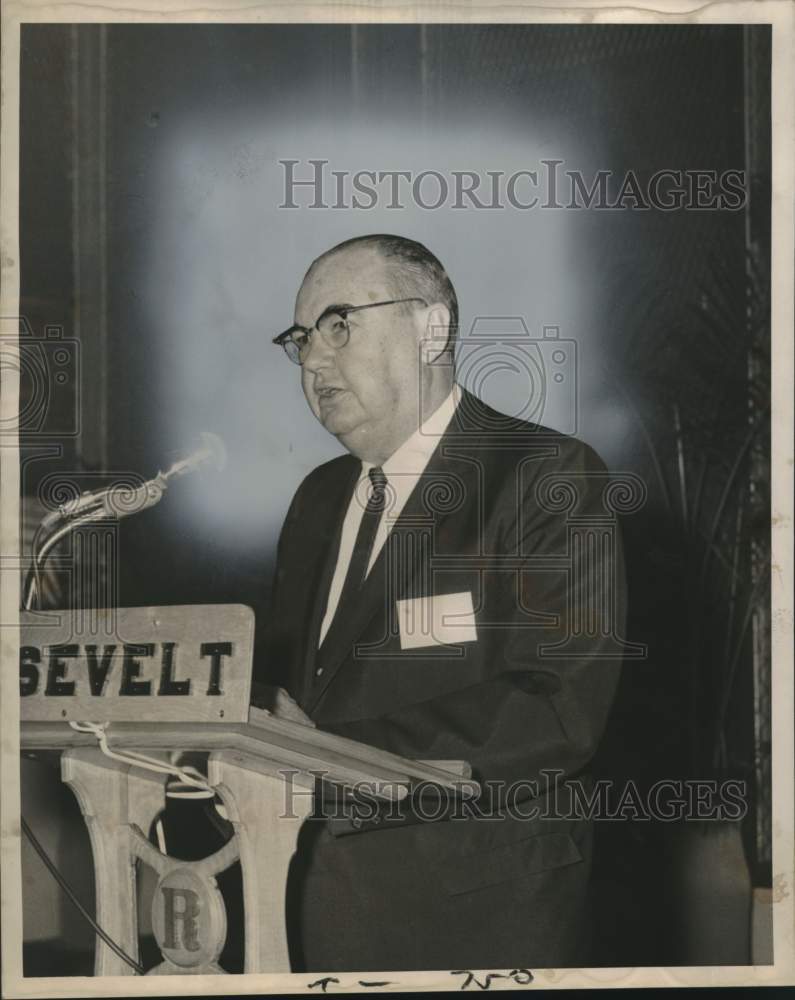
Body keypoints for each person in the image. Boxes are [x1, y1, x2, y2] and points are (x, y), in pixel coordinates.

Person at [254, 234, 627, 972]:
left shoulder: (544, 475)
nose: (314, 362)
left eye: (338, 325)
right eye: (300, 340)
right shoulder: (316, 499)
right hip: (307, 903)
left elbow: (556, 704)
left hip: (476, 908)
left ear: (432, 329)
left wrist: (332, 757)